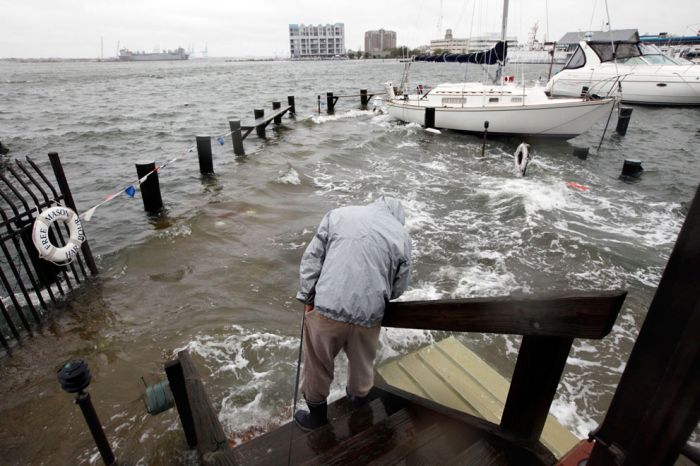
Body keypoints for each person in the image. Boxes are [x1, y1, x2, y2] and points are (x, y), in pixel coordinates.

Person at [294, 195, 412, 431]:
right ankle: (358, 403)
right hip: (369, 315)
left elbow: (312, 259)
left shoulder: (338, 215)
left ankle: (317, 418)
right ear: (397, 217)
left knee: (317, 364)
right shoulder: (402, 236)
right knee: (362, 364)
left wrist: (307, 296)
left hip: (328, 306)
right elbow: (399, 287)